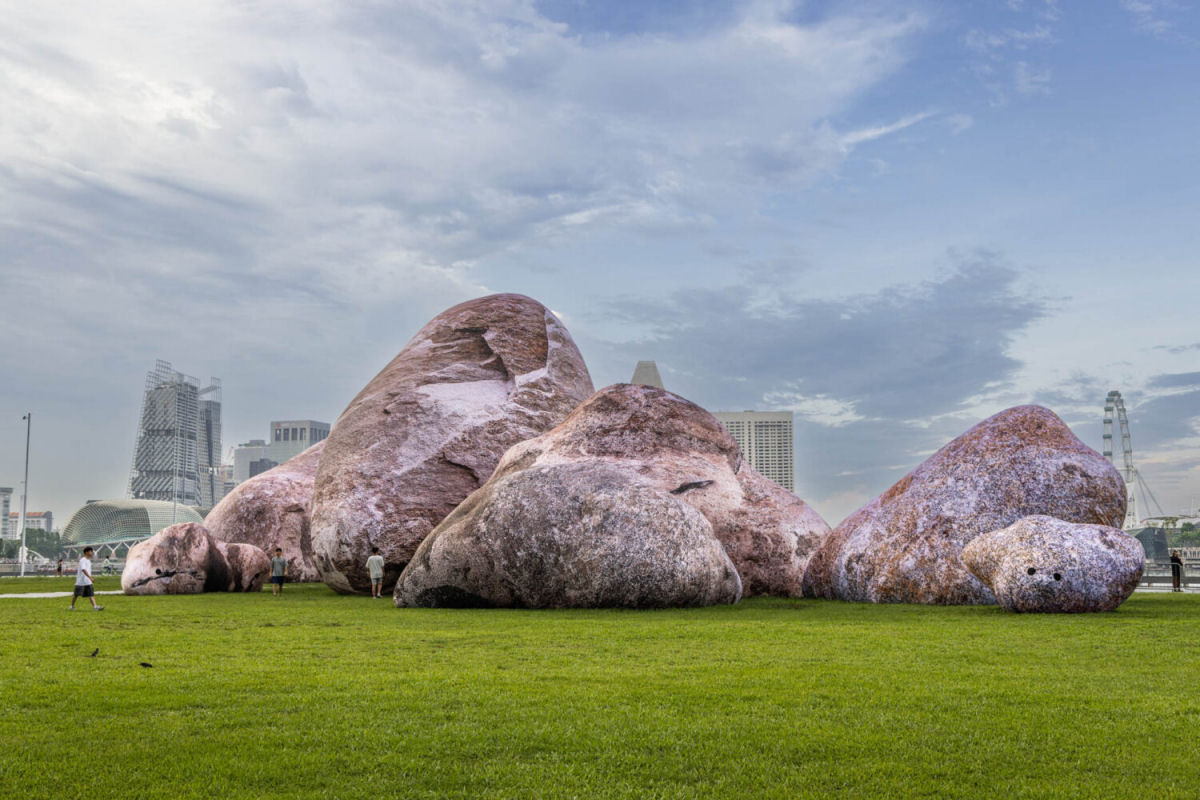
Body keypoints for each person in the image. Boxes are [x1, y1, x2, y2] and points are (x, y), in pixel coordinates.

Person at [70, 547, 103, 611]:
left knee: (91, 594)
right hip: (81, 581)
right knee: (76, 594)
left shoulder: (88, 561)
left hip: (87, 581)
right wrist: (90, 577)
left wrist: (89, 578)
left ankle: (95, 607)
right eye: (90, 551)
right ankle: (72, 606)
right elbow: (83, 569)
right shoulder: (83, 560)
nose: (91, 552)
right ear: (86, 552)